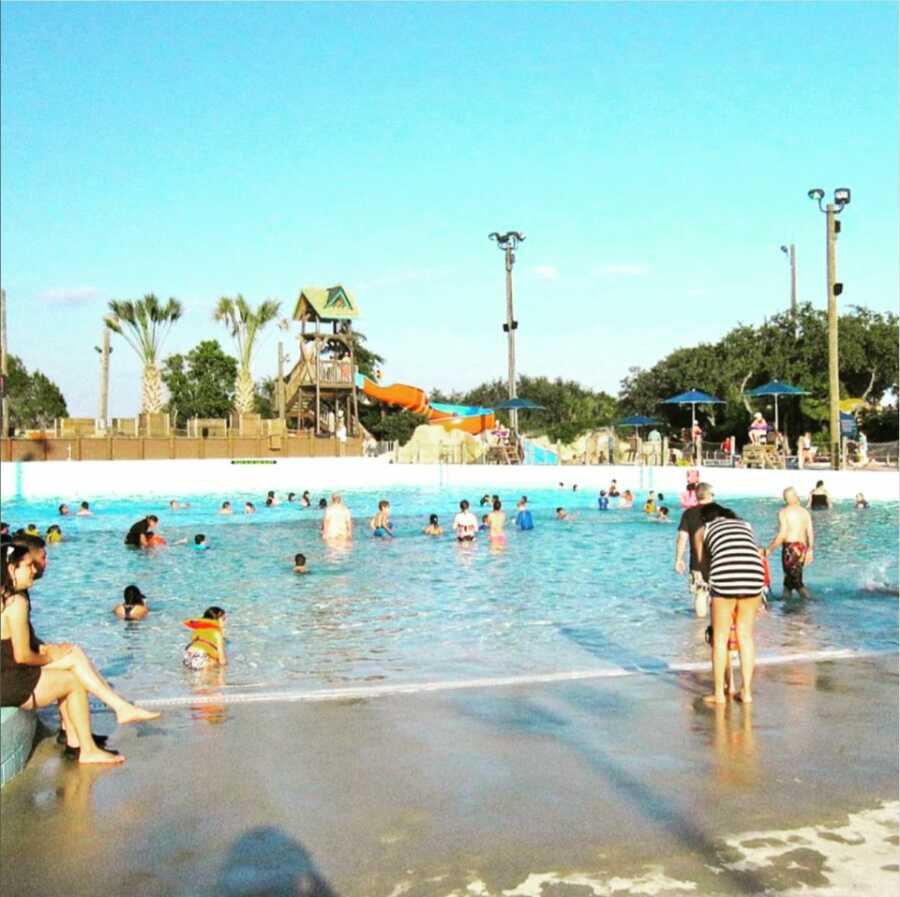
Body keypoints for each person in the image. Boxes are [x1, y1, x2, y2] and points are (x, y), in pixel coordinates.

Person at [1, 543, 159, 763]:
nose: (34, 570)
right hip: (11, 681)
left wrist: (47, 649)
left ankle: (83, 737)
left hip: (6, 674)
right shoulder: (15, 601)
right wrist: (49, 656)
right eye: (28, 566)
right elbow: (22, 656)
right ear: (11, 569)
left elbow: (13, 645)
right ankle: (90, 745)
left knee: (73, 655)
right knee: (73, 680)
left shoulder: (5, 597)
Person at [693, 504, 766, 705]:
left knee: (720, 637)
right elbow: (751, 552)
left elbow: (702, 565)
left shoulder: (703, 529)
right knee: (745, 635)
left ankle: (718, 694)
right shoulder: (745, 525)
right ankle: (747, 692)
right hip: (753, 575)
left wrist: (713, 586)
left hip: (724, 577)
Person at [674, 482, 725, 617]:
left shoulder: (688, 514)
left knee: (700, 595)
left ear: (697, 496)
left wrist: (679, 559)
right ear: (710, 495)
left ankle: (700, 630)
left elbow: (682, 537)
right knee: (719, 596)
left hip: (697, 561)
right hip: (720, 560)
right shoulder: (721, 511)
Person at [765, 487, 814, 599]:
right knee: (788, 583)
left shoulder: (784, 512)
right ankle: (786, 609)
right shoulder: (805, 512)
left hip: (790, 549)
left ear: (785, 499)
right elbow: (810, 532)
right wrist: (810, 550)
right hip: (802, 548)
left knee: (797, 584)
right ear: (795, 496)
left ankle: (811, 603)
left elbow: (782, 534)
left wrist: (769, 550)